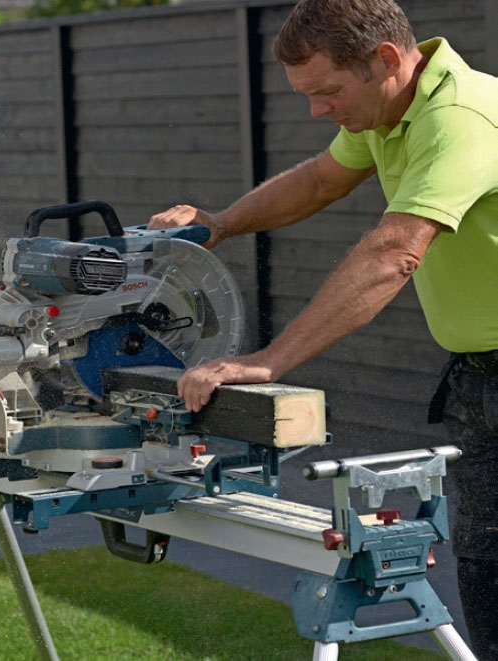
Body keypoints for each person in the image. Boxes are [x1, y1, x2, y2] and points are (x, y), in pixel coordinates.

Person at [147, 0, 498, 658]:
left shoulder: (461, 118)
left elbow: (394, 252)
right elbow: (317, 181)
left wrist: (270, 360)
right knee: (486, 566)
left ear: (385, 60)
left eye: (327, 91)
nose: (316, 110)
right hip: (479, 377)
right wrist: (221, 223)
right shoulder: (391, 109)